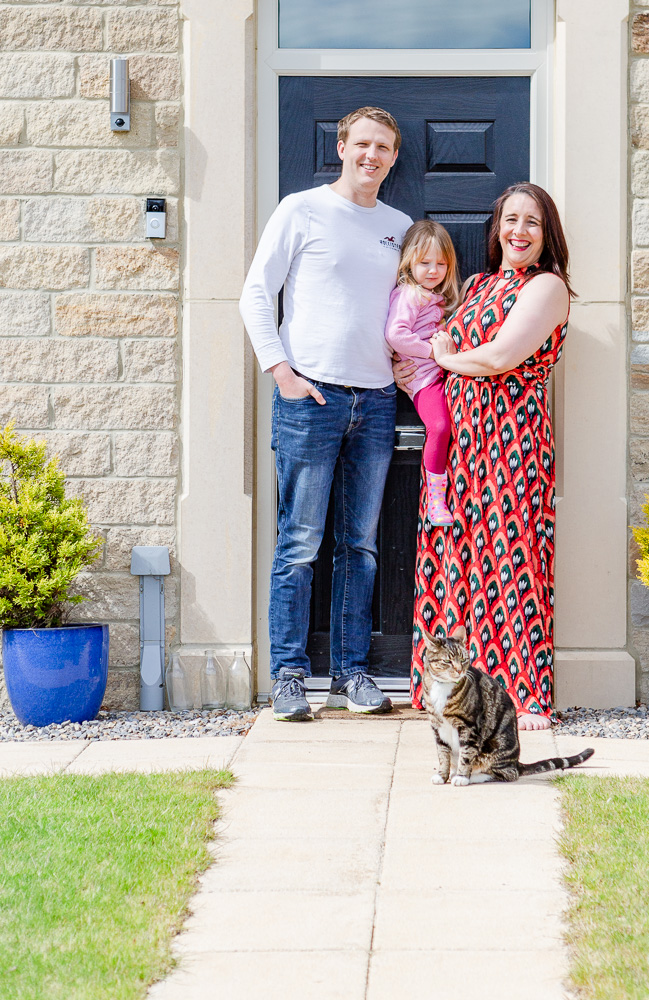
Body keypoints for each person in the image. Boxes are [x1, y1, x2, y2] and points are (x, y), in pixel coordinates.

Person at [240, 106, 412, 721]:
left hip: (375, 401)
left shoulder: (400, 226)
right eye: (362, 143)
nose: (372, 155)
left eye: (384, 147)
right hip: (310, 397)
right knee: (298, 543)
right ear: (341, 146)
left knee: (359, 545)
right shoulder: (301, 209)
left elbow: (412, 308)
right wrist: (281, 373)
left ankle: (352, 675)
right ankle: (289, 676)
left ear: (395, 157)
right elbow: (256, 293)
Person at [406, 183, 574, 731]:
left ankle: (525, 695)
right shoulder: (474, 284)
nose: (519, 232)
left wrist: (447, 357)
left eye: (532, 223)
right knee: (457, 558)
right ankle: (453, 690)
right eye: (510, 220)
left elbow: (502, 355)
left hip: (511, 439)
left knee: (511, 559)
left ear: (546, 234)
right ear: (496, 227)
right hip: (461, 442)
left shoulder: (548, 287)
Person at [384, 220, 460, 527]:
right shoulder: (409, 295)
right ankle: (435, 500)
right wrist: (434, 353)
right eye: (424, 263)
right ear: (408, 264)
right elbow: (395, 335)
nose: (433, 270)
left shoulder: (431, 297)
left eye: (441, 264)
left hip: (441, 375)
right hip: (425, 378)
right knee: (439, 426)